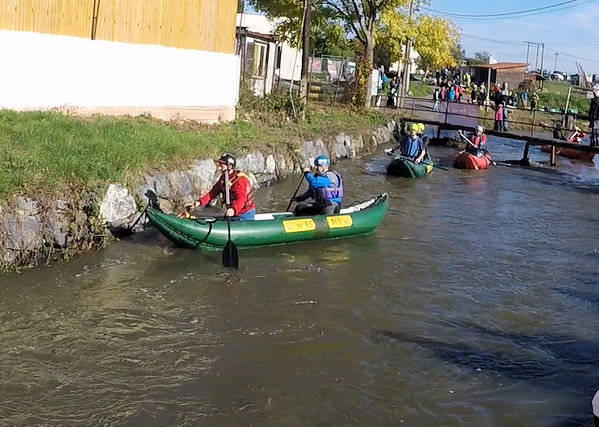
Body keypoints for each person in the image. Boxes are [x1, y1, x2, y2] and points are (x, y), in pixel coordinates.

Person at [185, 153, 255, 220]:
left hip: (244, 214)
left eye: (221, 165)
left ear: (230, 166)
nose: (219, 168)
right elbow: (212, 193)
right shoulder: (223, 178)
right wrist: (199, 202)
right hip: (233, 213)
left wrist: (233, 210)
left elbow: (241, 200)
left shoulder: (240, 181)